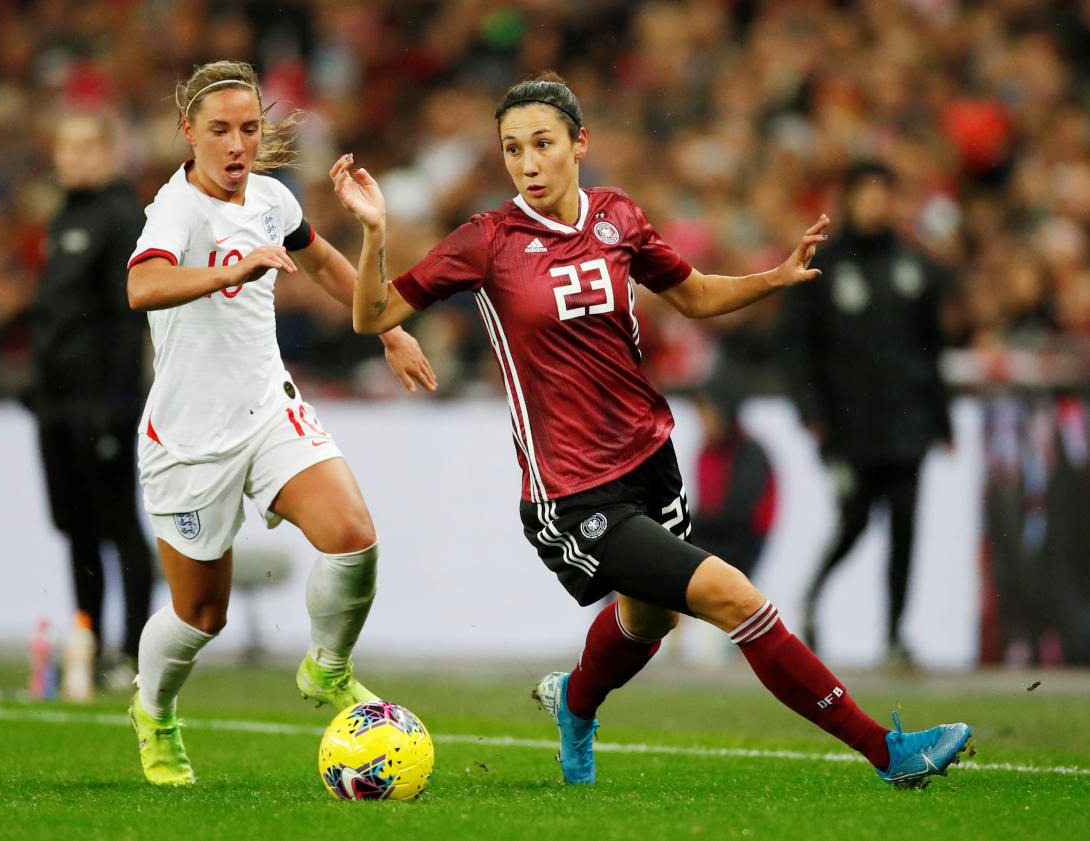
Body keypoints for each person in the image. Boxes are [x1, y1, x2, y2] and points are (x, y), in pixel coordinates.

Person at [332, 71, 970, 789]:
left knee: (649, 624)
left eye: (542, 143)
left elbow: (693, 293)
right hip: (572, 491)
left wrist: (774, 276)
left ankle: (574, 701)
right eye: (512, 149)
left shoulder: (617, 217)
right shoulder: (487, 240)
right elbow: (373, 315)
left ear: (580, 143)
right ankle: (889, 752)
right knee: (736, 597)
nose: (528, 162)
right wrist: (375, 233)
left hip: (650, 460)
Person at [123, 60, 437, 786]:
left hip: (270, 411)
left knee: (353, 535)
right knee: (201, 615)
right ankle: (155, 713)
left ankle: (326, 668)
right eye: (220, 131)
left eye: (249, 129)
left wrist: (387, 327)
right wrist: (227, 272)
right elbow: (142, 284)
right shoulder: (176, 211)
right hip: (189, 440)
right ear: (188, 134)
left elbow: (322, 262)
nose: (237, 145)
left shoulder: (268, 197)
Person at [779, 161, 952, 666]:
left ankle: (895, 636)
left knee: (905, 525)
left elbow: (930, 349)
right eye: (867, 193)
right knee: (853, 521)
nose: (876, 203)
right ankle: (811, 599)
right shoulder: (822, 267)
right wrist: (811, 412)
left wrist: (941, 419)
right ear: (850, 200)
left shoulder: (914, 268)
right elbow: (798, 349)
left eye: (884, 193)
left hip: (906, 426)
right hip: (848, 429)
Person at [28, 110, 152, 687]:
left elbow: (126, 316)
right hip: (58, 401)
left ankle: (132, 651)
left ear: (107, 152)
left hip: (101, 400)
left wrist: (118, 396)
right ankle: (90, 642)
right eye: (66, 146)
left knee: (119, 521)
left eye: (85, 146)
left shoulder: (119, 215)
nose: (74, 158)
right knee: (76, 525)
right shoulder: (64, 217)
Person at [691, 373, 776, 580]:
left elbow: (738, 515)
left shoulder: (749, 453)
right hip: (713, 537)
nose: (702, 421)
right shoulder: (707, 452)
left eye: (708, 413)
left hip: (742, 543)